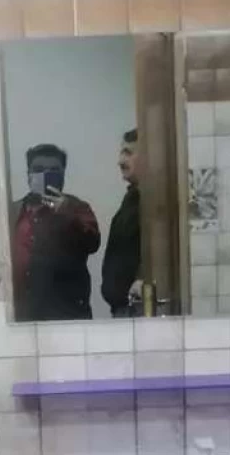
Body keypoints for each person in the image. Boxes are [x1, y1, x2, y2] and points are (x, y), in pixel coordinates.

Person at [10, 144, 100, 321]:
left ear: (63, 174)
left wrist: (66, 213)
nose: (45, 175)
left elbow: (92, 243)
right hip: (22, 315)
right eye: (38, 170)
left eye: (54, 171)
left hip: (67, 314)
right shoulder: (13, 211)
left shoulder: (77, 207)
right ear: (28, 175)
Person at [101, 128, 142, 316]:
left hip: (139, 308)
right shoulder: (133, 197)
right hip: (125, 308)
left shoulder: (154, 201)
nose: (120, 161)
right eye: (121, 153)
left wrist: (143, 278)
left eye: (128, 153)